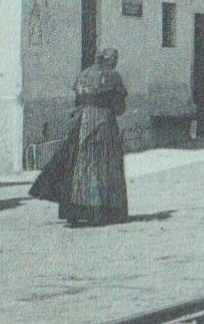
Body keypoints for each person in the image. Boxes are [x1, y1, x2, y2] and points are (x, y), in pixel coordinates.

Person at [30, 47, 130, 226]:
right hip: (102, 123)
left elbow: (77, 100)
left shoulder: (84, 74)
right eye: (115, 57)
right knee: (103, 165)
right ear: (109, 59)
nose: (116, 61)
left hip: (80, 123)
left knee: (77, 165)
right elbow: (119, 107)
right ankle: (101, 210)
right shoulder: (112, 76)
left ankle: (74, 210)